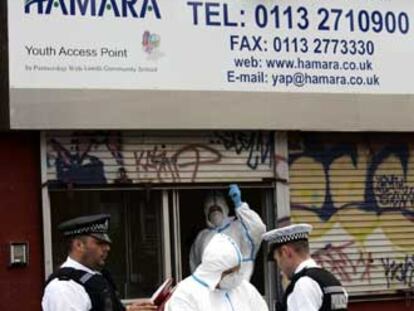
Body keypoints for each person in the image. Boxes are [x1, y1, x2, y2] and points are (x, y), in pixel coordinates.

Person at [42, 214, 156, 311]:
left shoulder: (92, 277)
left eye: (107, 243)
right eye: (100, 243)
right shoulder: (64, 288)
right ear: (78, 245)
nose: (107, 248)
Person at [166, 233, 269, 311]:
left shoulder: (244, 288)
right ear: (215, 273)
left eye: (238, 270)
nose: (237, 276)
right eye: (231, 272)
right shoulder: (185, 294)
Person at [263, 224, 348, 311]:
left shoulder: (303, 284)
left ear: (286, 252)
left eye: (277, 259)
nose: (279, 267)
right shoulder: (332, 281)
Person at [189, 184, 266, 280]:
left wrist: (240, 206)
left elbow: (258, 229)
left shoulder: (239, 227)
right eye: (211, 209)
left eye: (218, 208)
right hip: (211, 292)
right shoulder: (201, 238)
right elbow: (195, 270)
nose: (215, 212)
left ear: (226, 208)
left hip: (238, 290)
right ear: (205, 212)